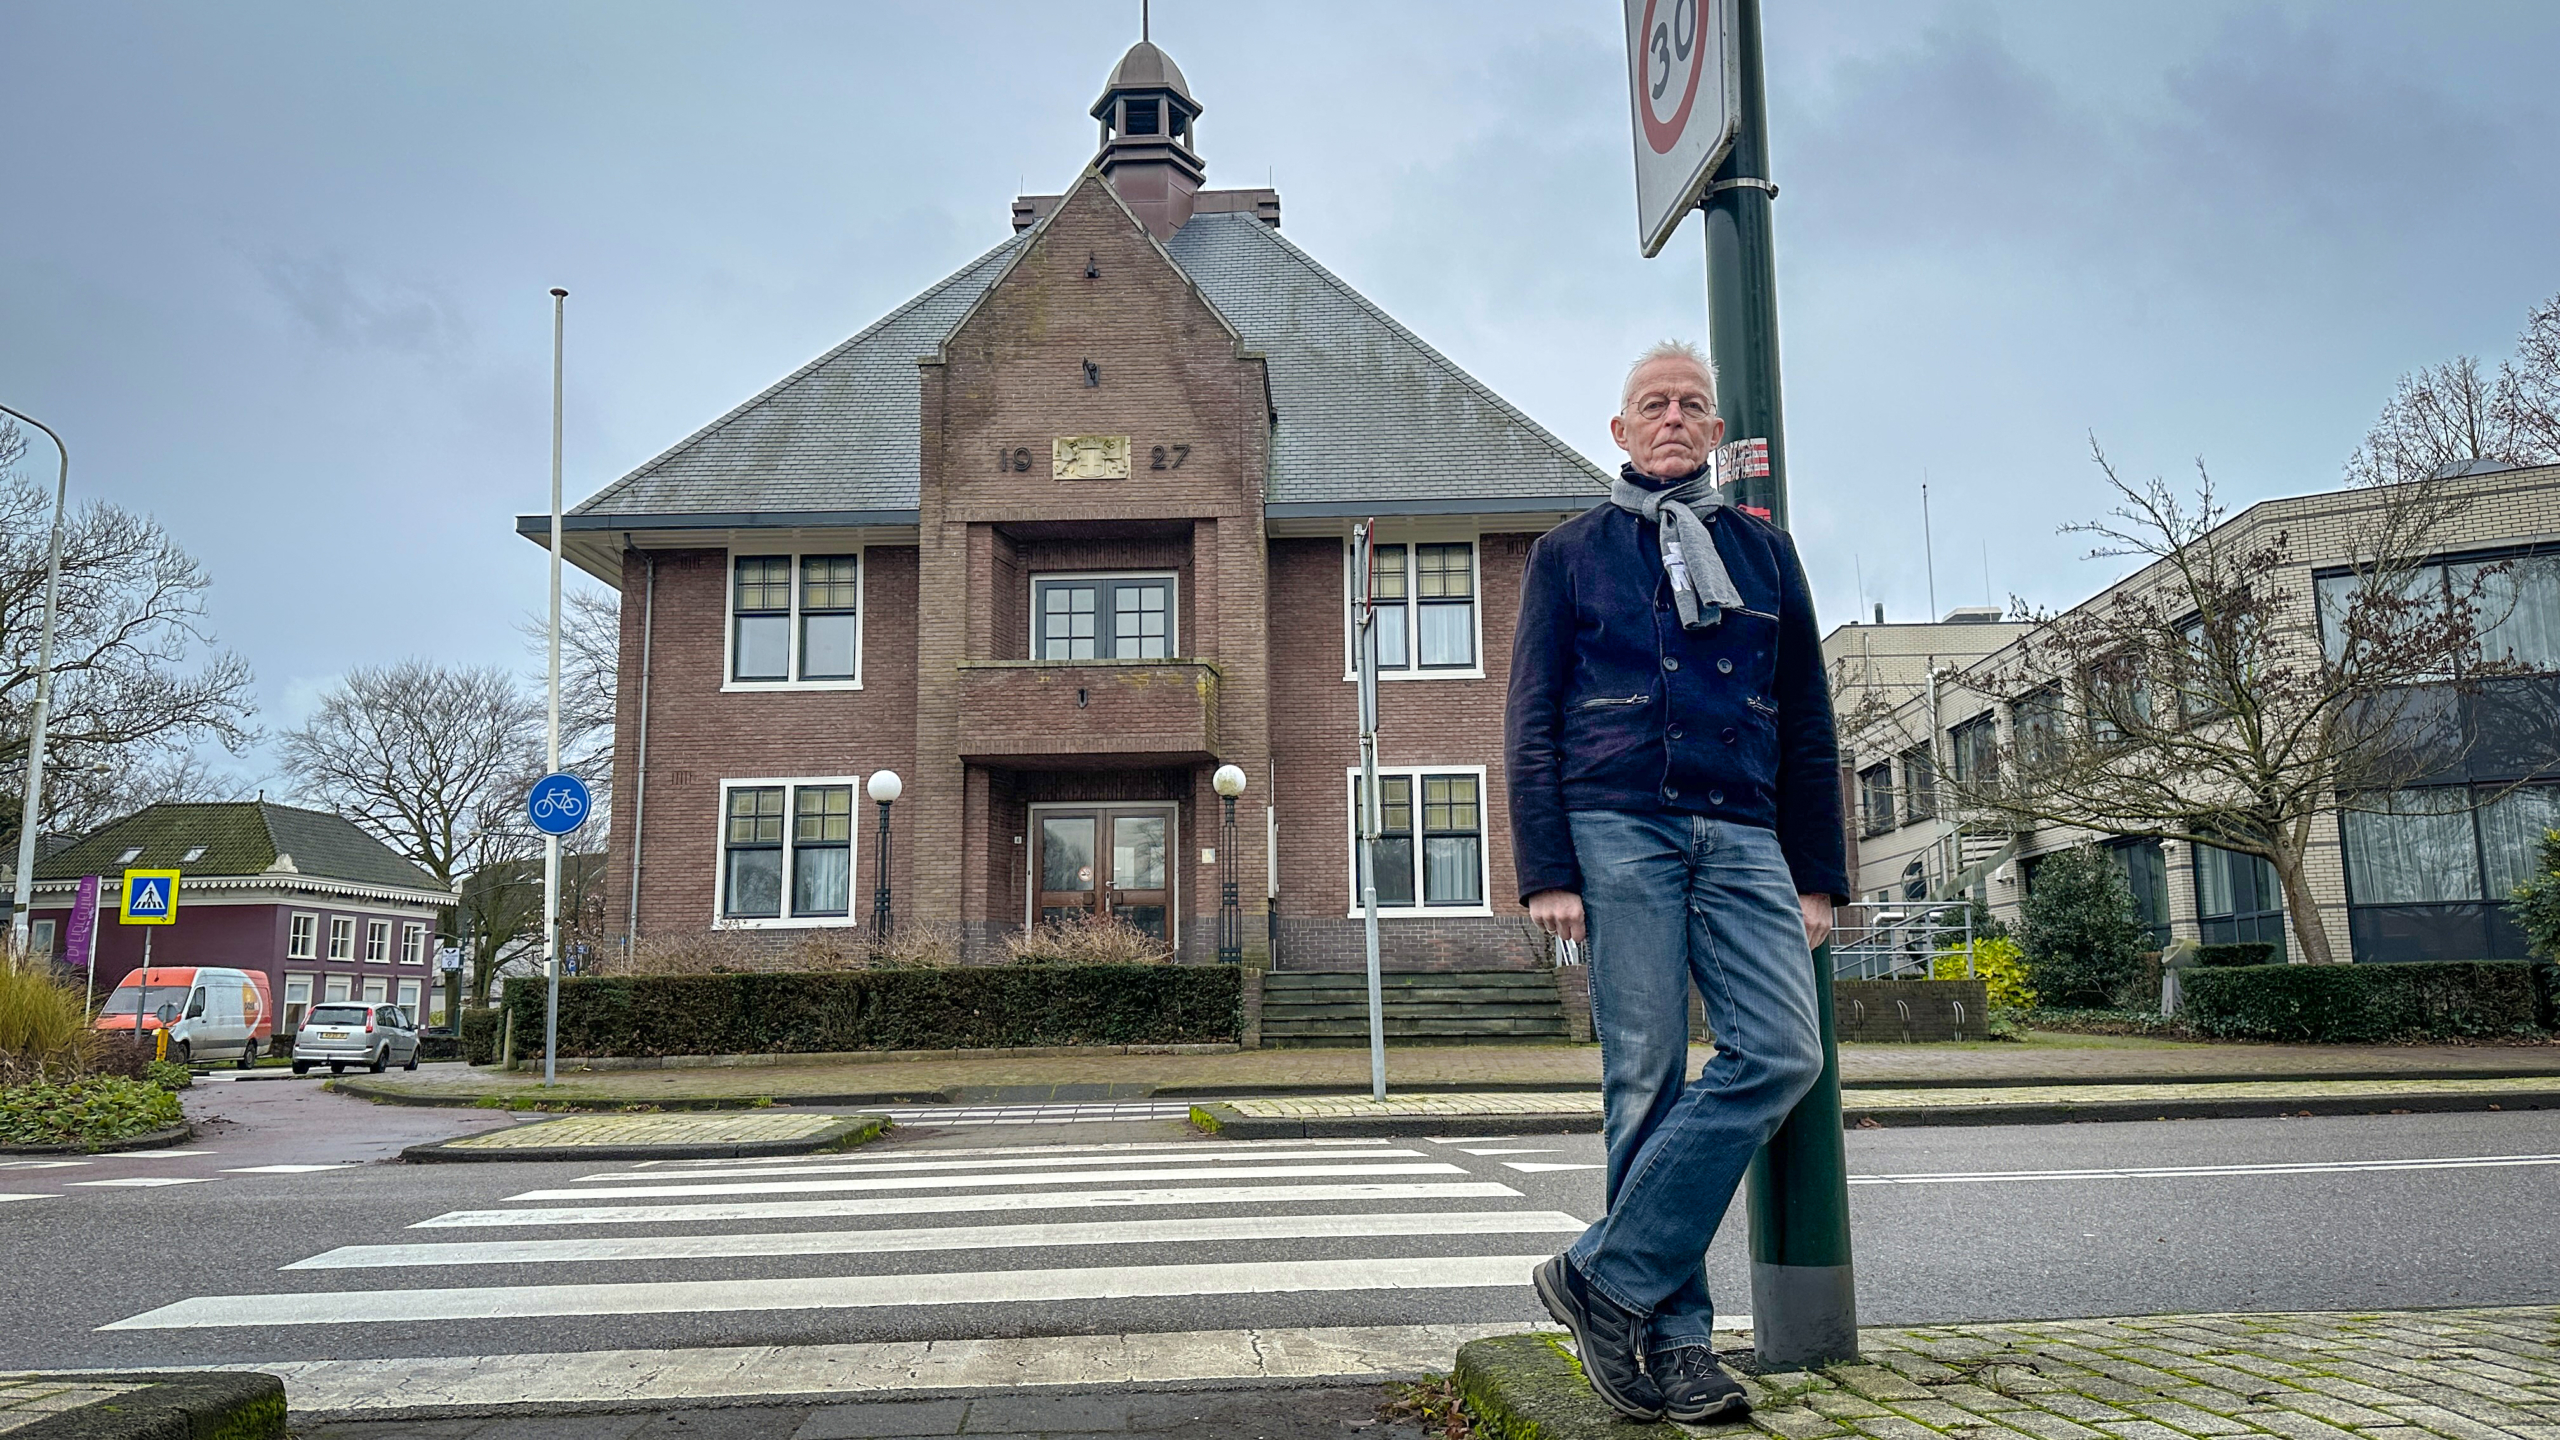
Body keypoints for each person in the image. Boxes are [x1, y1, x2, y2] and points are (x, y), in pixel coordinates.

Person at [1504, 339, 1848, 1423]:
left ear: (1712, 431)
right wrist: (1545, 870)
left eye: (1689, 405)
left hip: (1743, 832)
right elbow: (1531, 720)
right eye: (1651, 404)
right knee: (1641, 1079)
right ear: (1619, 430)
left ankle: (1601, 1276)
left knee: (1783, 1051)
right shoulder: (1570, 553)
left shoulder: (1765, 554)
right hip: (1616, 831)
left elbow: (1806, 723)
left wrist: (1818, 878)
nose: (1669, 417)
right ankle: (1678, 1344)